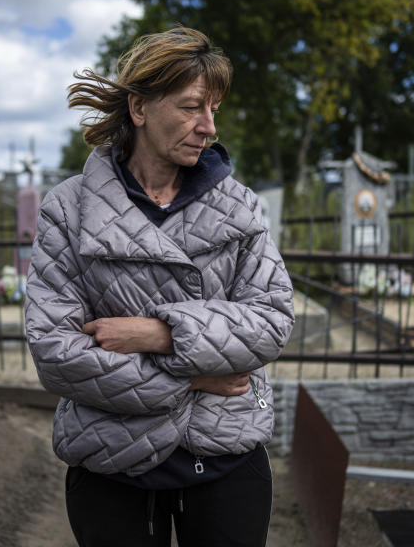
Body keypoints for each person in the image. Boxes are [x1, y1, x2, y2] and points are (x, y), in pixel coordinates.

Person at [24, 27, 295, 547]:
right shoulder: (70, 207)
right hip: (110, 460)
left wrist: (162, 334)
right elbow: (55, 352)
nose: (208, 127)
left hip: (225, 452)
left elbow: (272, 322)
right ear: (140, 108)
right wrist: (195, 378)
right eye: (193, 107)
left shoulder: (239, 205)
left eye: (214, 110)